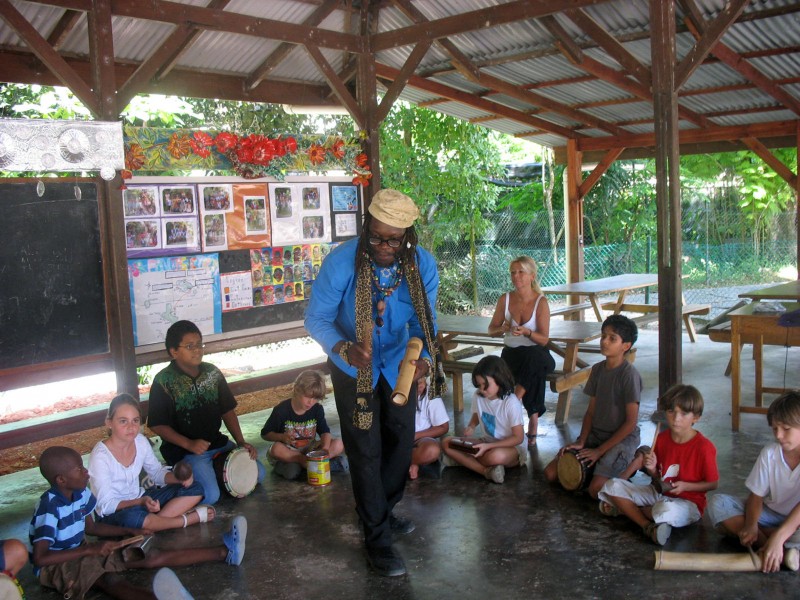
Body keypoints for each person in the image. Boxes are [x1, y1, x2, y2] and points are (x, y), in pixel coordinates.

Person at [305, 188, 441, 577]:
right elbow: (316, 319)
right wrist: (344, 348)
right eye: (377, 236)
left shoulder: (422, 266)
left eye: (393, 239)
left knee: (400, 445)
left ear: (407, 237)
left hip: (401, 365)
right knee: (365, 450)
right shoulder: (341, 263)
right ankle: (377, 539)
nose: (384, 245)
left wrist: (426, 361)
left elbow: (424, 323)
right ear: (367, 228)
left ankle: (379, 509)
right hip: (353, 368)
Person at [29, 446, 247, 600]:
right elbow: (41, 558)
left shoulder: (81, 494)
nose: (86, 471)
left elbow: (92, 527)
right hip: (55, 566)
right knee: (108, 579)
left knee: (147, 555)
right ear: (60, 479)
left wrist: (130, 531)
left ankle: (224, 552)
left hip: (83, 550)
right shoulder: (49, 507)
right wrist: (93, 549)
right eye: (79, 468)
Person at [147, 320, 266, 505]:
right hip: (186, 452)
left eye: (199, 344)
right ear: (174, 352)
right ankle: (180, 478)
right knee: (211, 496)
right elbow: (157, 424)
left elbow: (227, 410)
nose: (197, 350)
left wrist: (241, 442)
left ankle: (212, 474)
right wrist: (189, 443)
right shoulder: (163, 381)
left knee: (259, 473)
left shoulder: (212, 373)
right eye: (189, 346)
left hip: (217, 444)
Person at [598, 384, 718, 546]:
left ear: (696, 417)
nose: (676, 418)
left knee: (664, 510)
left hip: (688, 503)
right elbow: (659, 477)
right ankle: (646, 525)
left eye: (684, 414)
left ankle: (626, 510)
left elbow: (712, 484)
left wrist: (685, 486)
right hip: (659, 494)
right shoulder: (662, 439)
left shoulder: (704, 447)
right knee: (612, 485)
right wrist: (652, 468)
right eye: (671, 412)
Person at [544, 314, 642, 499]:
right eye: (603, 336)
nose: (604, 341)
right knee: (551, 474)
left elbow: (631, 423)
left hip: (621, 439)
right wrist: (582, 440)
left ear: (626, 346)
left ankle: (634, 462)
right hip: (596, 436)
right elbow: (590, 412)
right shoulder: (597, 370)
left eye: (612, 338)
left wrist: (599, 451)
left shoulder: (629, 375)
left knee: (595, 490)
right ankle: (602, 470)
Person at [707, 391, 800, 573]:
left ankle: (773, 544)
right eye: (774, 428)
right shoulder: (770, 453)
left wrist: (779, 535)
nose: (779, 435)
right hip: (772, 513)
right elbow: (756, 497)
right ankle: (776, 549)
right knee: (719, 503)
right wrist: (751, 525)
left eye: (786, 429)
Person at [90, 394, 212, 531]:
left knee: (196, 488)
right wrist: (141, 501)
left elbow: (156, 473)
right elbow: (106, 505)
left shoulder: (140, 441)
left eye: (135, 421)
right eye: (123, 421)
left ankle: (154, 524)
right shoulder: (100, 456)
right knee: (133, 518)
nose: (131, 427)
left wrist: (179, 478)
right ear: (109, 422)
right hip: (114, 513)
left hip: (141, 500)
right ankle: (185, 520)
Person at [488, 256, 555, 446]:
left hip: (536, 352)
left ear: (532, 276)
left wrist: (527, 332)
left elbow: (544, 339)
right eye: (513, 272)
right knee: (535, 370)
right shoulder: (505, 299)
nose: (516, 276)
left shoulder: (541, 302)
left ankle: (515, 398)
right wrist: (502, 328)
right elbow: (491, 329)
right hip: (512, 355)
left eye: (521, 272)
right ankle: (533, 418)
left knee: (535, 358)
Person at [441, 355, 525, 484]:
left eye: (485, 385)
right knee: (447, 442)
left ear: (499, 379)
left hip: (512, 448)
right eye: (479, 385)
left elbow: (518, 438)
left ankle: (462, 461)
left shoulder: (511, 402)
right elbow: (477, 414)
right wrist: (471, 426)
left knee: (493, 456)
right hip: (486, 442)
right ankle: (486, 471)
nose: (482, 390)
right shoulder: (478, 396)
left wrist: (489, 446)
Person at [260, 370, 348, 480]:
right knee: (276, 449)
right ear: (297, 390)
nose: (311, 402)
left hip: (309, 449)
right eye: (307, 397)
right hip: (290, 451)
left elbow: (325, 432)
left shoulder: (317, 409)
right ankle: (306, 464)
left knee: (339, 443)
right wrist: (282, 437)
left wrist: (324, 449)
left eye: (315, 398)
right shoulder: (281, 410)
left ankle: (313, 464)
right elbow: (265, 434)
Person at [409, 375, 449, 480]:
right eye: (415, 383)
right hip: (395, 439)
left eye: (422, 381)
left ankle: (412, 461)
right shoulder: (392, 392)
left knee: (432, 450)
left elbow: (443, 427)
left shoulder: (430, 395)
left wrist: (416, 435)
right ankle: (413, 462)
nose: (420, 386)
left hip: (420, 440)